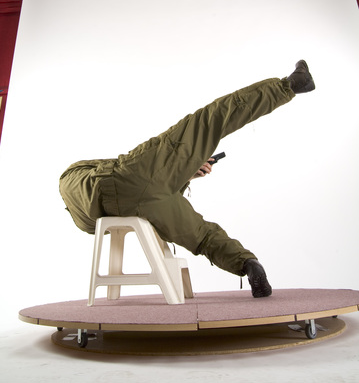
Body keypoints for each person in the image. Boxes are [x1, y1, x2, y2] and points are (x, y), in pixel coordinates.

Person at [59, 60, 315, 298]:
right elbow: (129, 180)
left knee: (203, 236)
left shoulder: (78, 200)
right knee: (212, 120)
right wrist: (181, 169)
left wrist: (186, 173)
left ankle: (248, 264)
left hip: (145, 201)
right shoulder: (75, 175)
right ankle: (290, 85)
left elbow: (143, 189)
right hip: (140, 183)